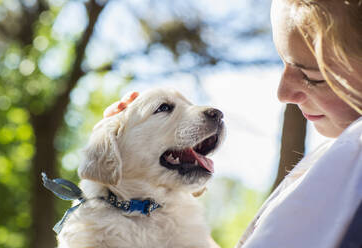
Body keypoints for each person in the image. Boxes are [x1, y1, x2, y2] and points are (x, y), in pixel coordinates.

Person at [103, 0, 362, 247]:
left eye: (311, 76)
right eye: (282, 62)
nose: (282, 93)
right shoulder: (334, 156)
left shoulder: (353, 159)